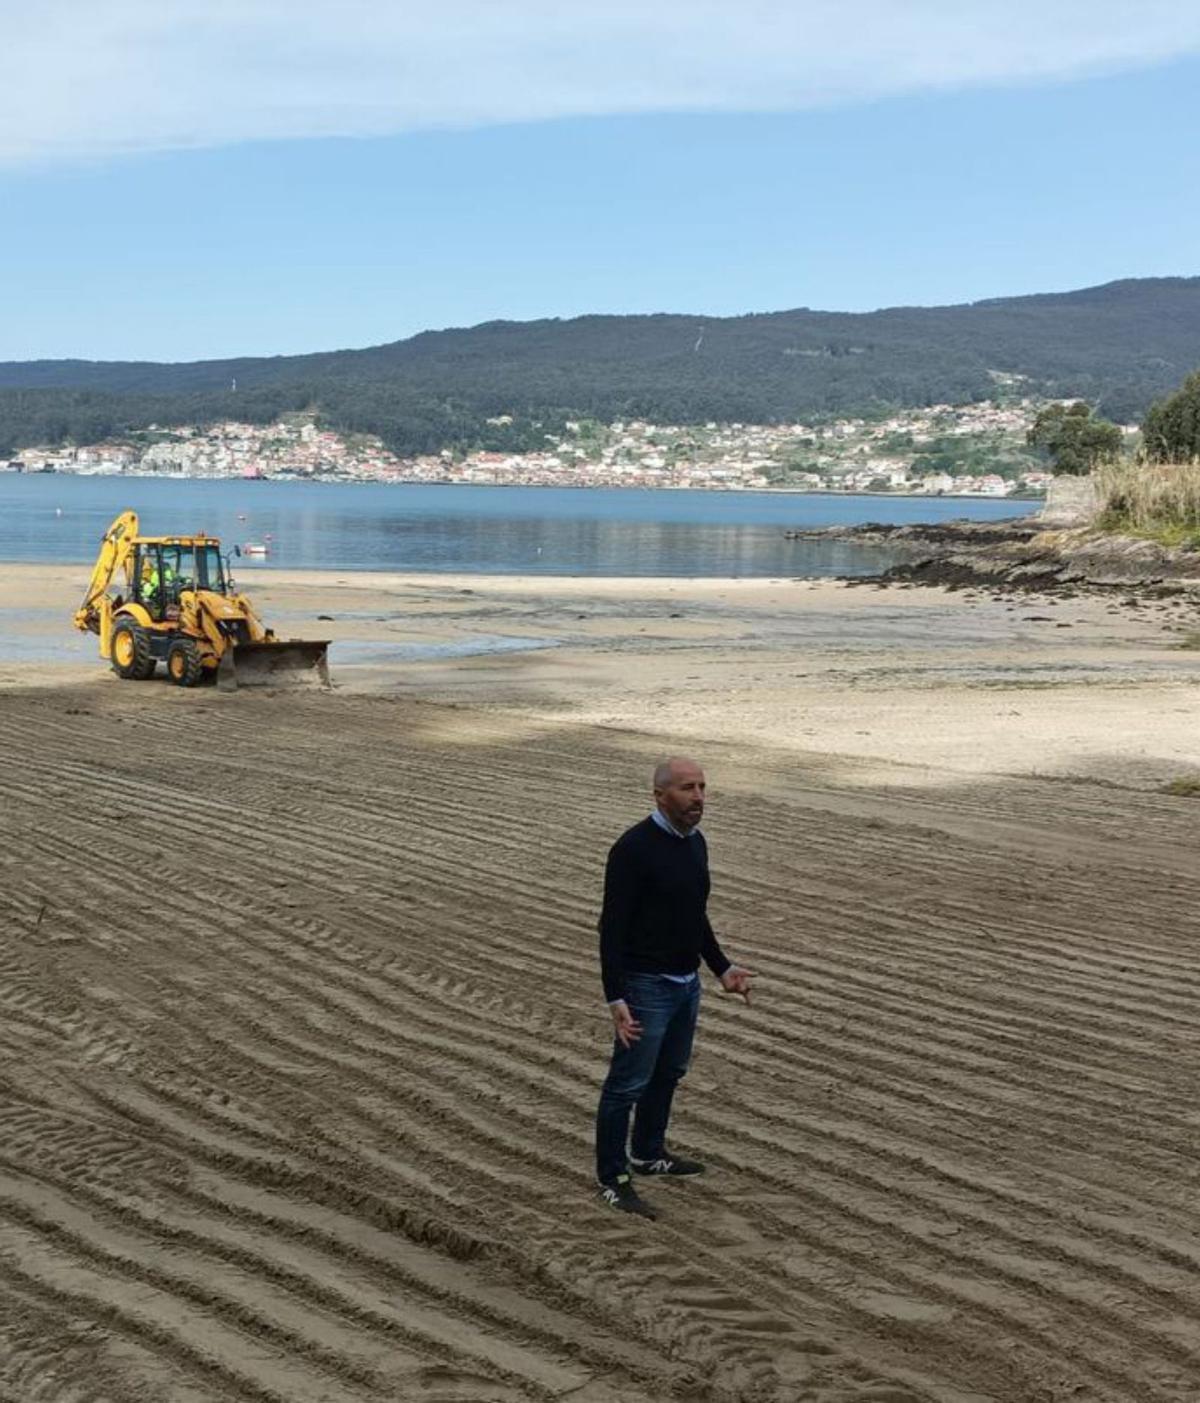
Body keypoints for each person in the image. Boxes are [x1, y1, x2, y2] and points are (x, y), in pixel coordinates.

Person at [594, 757, 753, 1218]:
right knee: (626, 1086)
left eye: (703, 787)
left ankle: (647, 1153)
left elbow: (693, 915)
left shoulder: (695, 843)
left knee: (669, 1073)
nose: (699, 797)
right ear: (660, 794)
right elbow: (612, 927)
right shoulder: (633, 849)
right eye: (687, 788)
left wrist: (722, 969)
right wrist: (615, 997)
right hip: (645, 986)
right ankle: (612, 1178)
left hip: (685, 984)